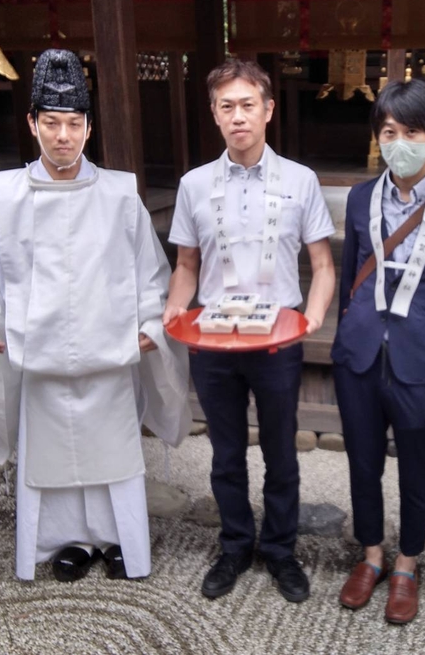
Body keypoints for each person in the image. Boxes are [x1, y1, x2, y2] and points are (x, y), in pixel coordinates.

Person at [0, 49, 191, 583]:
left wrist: (151, 325)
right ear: (32, 124)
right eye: (51, 123)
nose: (63, 136)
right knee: (52, 463)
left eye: (73, 124)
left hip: (108, 355)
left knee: (113, 454)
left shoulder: (119, 195)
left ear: (89, 127)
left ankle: (118, 538)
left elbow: (150, 273)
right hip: (38, 358)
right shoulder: (3, 199)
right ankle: (67, 539)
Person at [163, 60, 336, 603]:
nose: (238, 116)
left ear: (268, 110)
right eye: (226, 106)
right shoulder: (194, 185)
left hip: (276, 338)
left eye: (247, 105)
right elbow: (186, 265)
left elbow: (323, 264)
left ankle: (281, 550)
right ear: (214, 114)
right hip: (214, 339)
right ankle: (236, 545)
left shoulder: (300, 180)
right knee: (226, 452)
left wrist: (311, 317)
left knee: (282, 451)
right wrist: (172, 315)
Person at [331, 79, 425, 624]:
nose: (399, 143)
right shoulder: (358, 197)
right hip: (359, 357)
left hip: (422, 359)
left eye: (412, 132)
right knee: (362, 463)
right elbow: (352, 276)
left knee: (415, 468)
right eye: (389, 132)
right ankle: (370, 554)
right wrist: (346, 335)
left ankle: (405, 564)